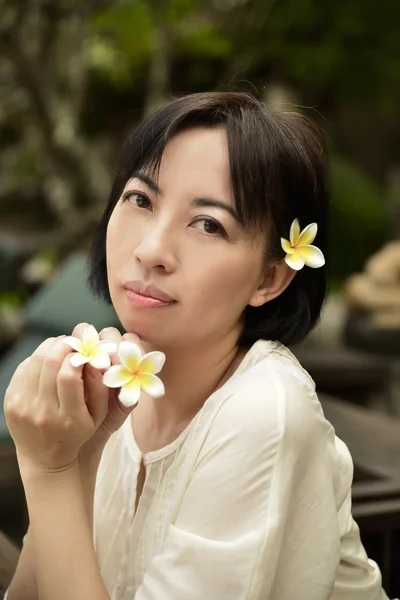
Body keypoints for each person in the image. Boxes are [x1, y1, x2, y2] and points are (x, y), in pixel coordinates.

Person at [3, 91, 394, 599]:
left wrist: (47, 468)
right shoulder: (113, 383)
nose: (151, 250)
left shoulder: (264, 413)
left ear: (270, 279)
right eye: (140, 200)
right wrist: (77, 456)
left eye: (209, 224)